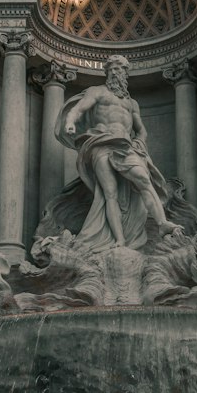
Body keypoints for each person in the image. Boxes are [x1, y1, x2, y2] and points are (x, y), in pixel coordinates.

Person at [56, 55, 179, 250]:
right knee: (109, 192)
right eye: (111, 69)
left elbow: (141, 130)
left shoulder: (132, 104)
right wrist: (70, 122)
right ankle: (119, 240)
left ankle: (162, 223)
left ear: (125, 74)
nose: (115, 72)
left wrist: (139, 142)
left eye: (119, 69)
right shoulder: (97, 92)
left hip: (125, 145)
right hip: (101, 143)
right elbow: (78, 110)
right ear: (106, 73)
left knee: (144, 179)